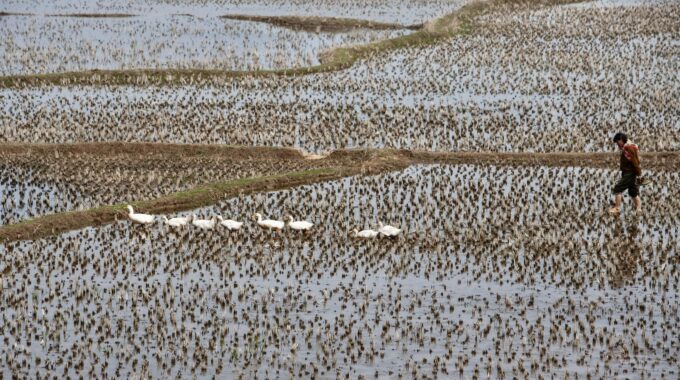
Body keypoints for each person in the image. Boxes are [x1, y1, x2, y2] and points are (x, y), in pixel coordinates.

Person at [609, 132, 642, 215]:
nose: (617, 145)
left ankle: (617, 208)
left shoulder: (629, 148)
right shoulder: (629, 146)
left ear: (621, 140)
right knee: (633, 192)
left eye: (617, 142)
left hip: (629, 173)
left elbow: (635, 161)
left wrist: (638, 173)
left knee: (617, 188)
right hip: (630, 172)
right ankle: (639, 209)